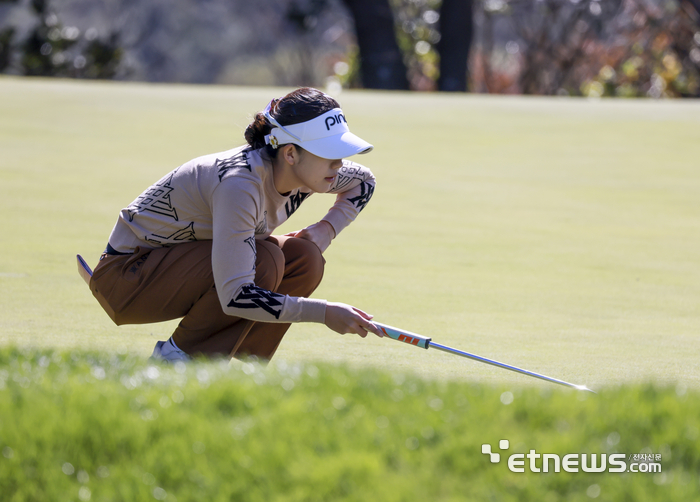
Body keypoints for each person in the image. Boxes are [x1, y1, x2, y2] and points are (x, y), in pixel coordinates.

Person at [88, 87, 384, 361]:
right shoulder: (240, 185)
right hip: (126, 280)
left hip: (176, 266)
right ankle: (175, 360)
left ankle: (247, 367)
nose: (339, 164)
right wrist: (324, 313)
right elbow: (236, 295)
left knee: (304, 258)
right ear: (291, 153)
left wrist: (325, 230)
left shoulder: (311, 171)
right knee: (265, 261)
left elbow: (364, 181)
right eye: (329, 152)